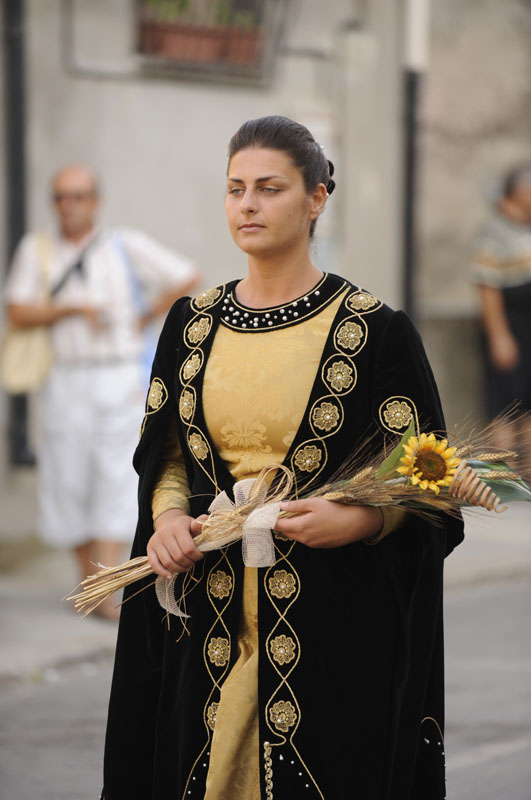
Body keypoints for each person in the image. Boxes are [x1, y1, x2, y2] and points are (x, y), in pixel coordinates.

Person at [101, 117, 463, 797]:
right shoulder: (192, 323)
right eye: (235, 188)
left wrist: (356, 521)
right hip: (204, 617)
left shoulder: (374, 330)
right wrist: (168, 519)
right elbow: (167, 453)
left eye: (269, 188)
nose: (247, 204)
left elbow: (424, 477)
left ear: (316, 198)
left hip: (333, 629)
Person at [3, 164, 199, 618]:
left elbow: (186, 276)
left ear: (95, 200)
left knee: (116, 476)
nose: (69, 206)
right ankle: (88, 580)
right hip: (66, 378)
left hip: (117, 377)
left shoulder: (124, 246)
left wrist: (143, 314)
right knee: (67, 477)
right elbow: (17, 311)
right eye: (60, 197)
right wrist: (71, 309)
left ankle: (103, 587)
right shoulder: (39, 251)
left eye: (78, 196)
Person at [473, 164, 531, 482]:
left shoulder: (526, 227)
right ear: (520, 192)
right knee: (504, 403)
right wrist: (499, 336)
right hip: (510, 326)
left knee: (529, 404)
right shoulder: (494, 230)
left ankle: (529, 475)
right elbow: (487, 286)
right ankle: (503, 477)